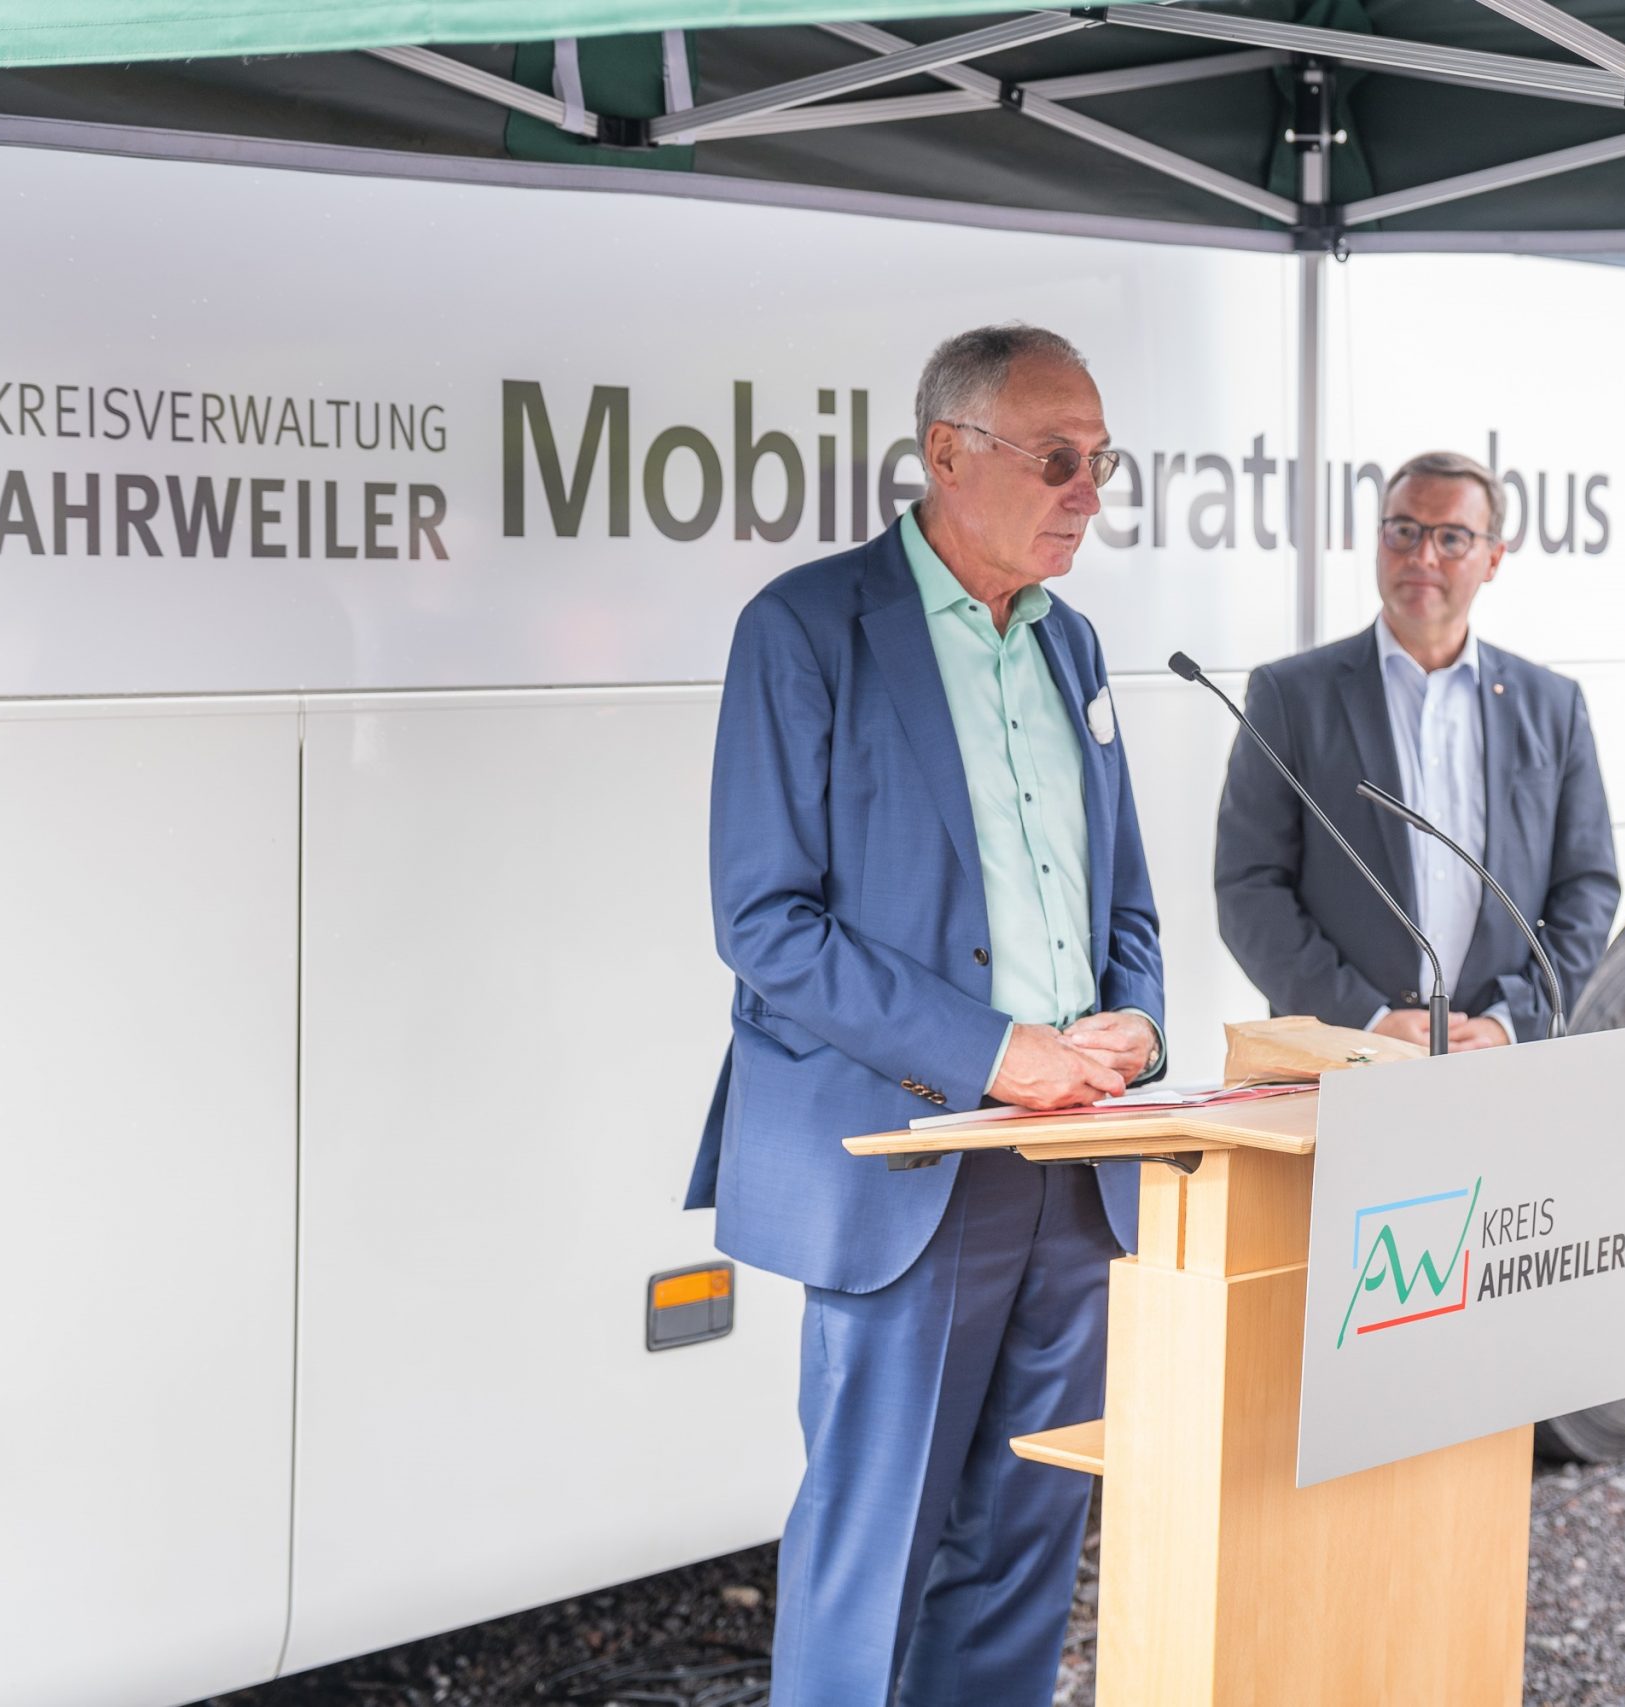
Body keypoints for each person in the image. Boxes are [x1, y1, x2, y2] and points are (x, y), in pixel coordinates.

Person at [686, 324, 1166, 1707]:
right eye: (1059, 458)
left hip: (1078, 1158)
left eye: (1103, 461)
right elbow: (764, 921)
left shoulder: (1073, 644)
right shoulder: (805, 628)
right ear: (948, 453)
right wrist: (992, 1051)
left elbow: (1123, 895)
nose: (1088, 492)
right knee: (873, 1547)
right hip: (913, 1155)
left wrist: (1136, 1023)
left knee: (1025, 1545)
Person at [1213, 449, 1619, 1048]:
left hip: (1497, 1062)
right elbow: (1249, 888)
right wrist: (1365, 1020)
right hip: (1344, 1060)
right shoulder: (1291, 696)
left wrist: (1512, 1022)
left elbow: (1588, 888)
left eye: (1452, 538)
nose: (1422, 556)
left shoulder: (1551, 706)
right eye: (1403, 530)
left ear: (1493, 558)